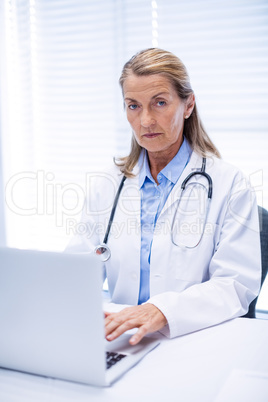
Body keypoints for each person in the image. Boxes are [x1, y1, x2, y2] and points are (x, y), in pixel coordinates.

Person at [67, 48, 261, 345]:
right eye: (133, 106)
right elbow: (76, 270)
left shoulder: (230, 185)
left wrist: (162, 311)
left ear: (188, 105)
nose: (145, 121)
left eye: (159, 103)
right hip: (121, 338)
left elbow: (235, 285)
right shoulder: (108, 184)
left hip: (194, 339)